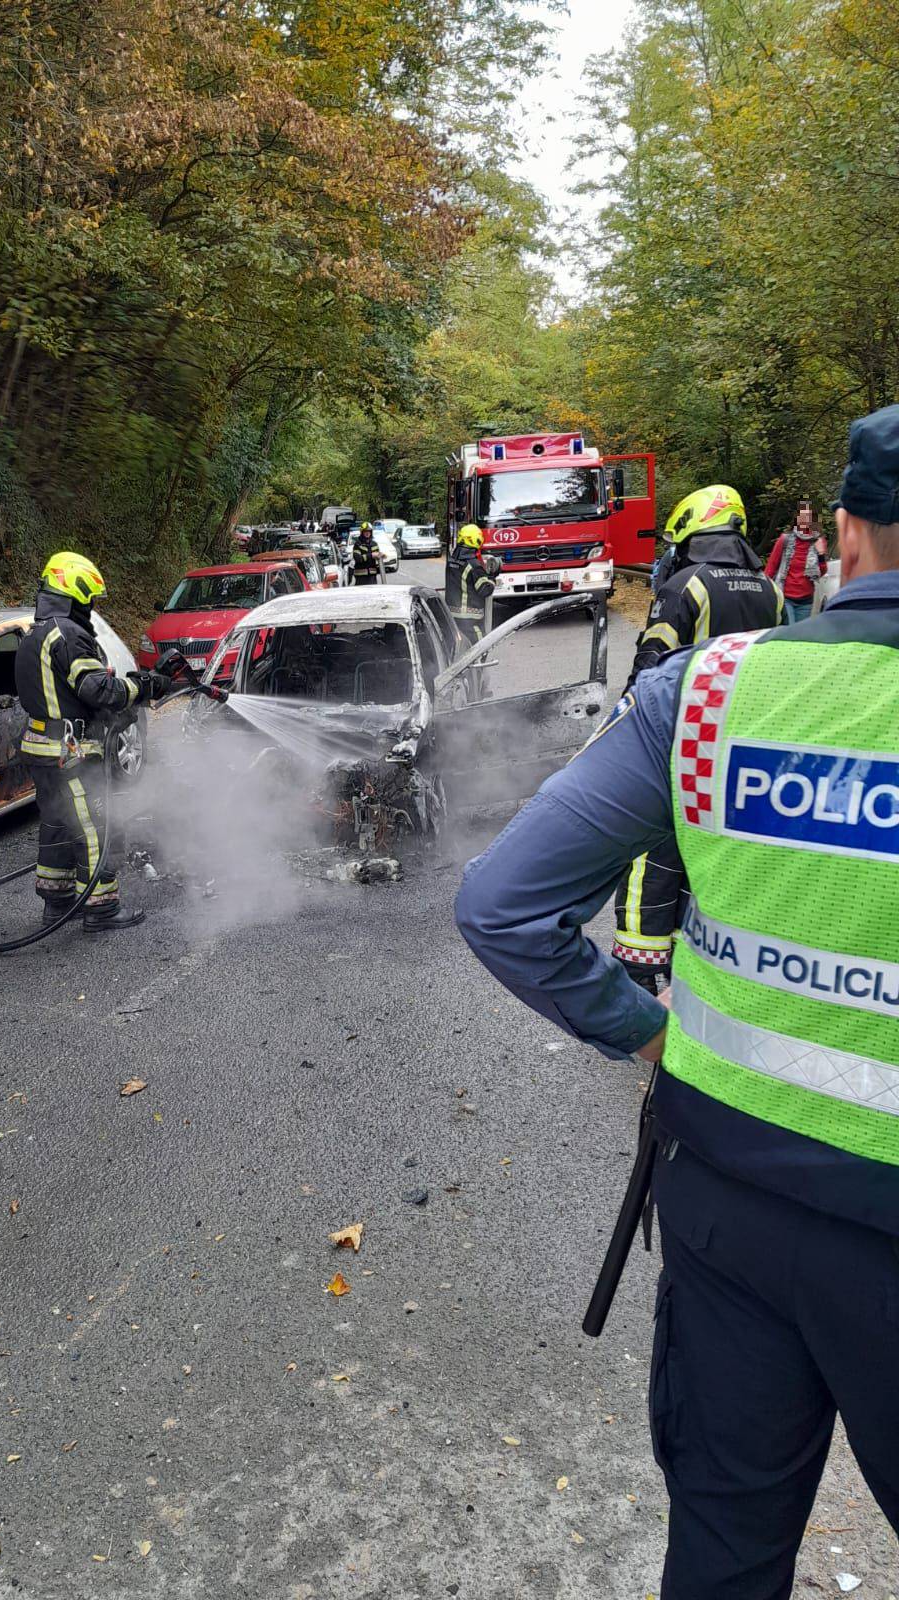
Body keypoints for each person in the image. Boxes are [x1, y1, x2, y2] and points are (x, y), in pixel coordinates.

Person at [454, 402, 899, 1600]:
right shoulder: (743, 597)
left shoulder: (706, 691)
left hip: (726, 1210)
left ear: (847, 534)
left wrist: (648, 1027)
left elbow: (500, 904)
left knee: (722, 1554)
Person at [613, 486, 783, 991]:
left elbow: (651, 668)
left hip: (686, 742)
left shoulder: (687, 585)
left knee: (652, 851)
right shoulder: (769, 587)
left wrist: (625, 731)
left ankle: (639, 970)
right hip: (747, 747)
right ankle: (707, 960)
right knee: (719, 852)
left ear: (692, 529)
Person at [15, 551, 168, 931]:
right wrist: (140, 686)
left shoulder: (36, 633)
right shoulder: (68, 634)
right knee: (95, 828)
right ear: (78, 593)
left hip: (42, 749)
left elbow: (65, 692)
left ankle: (58, 902)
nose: (92, 607)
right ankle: (100, 909)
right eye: (92, 600)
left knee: (57, 825)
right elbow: (97, 690)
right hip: (71, 754)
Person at [765, 500, 829, 622]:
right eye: (802, 516)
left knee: (799, 635)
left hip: (806, 600)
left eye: (807, 516)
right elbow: (771, 567)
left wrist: (821, 554)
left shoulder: (818, 541)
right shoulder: (785, 539)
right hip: (785, 597)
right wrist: (764, 590)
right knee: (789, 631)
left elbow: (821, 572)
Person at [453, 522, 496, 633]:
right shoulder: (474, 565)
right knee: (479, 647)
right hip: (470, 619)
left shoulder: (452, 560)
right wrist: (491, 578)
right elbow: (485, 590)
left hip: (453, 615)